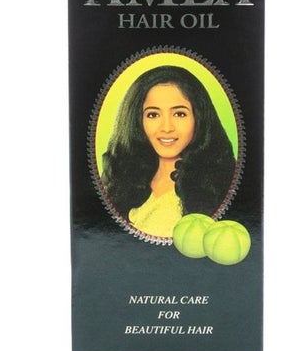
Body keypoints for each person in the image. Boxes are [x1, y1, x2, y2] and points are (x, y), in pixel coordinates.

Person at [101, 65, 236, 238]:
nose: (166, 128)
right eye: (153, 115)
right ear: (136, 121)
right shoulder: (121, 181)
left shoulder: (222, 184)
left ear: (199, 117)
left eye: (179, 114)